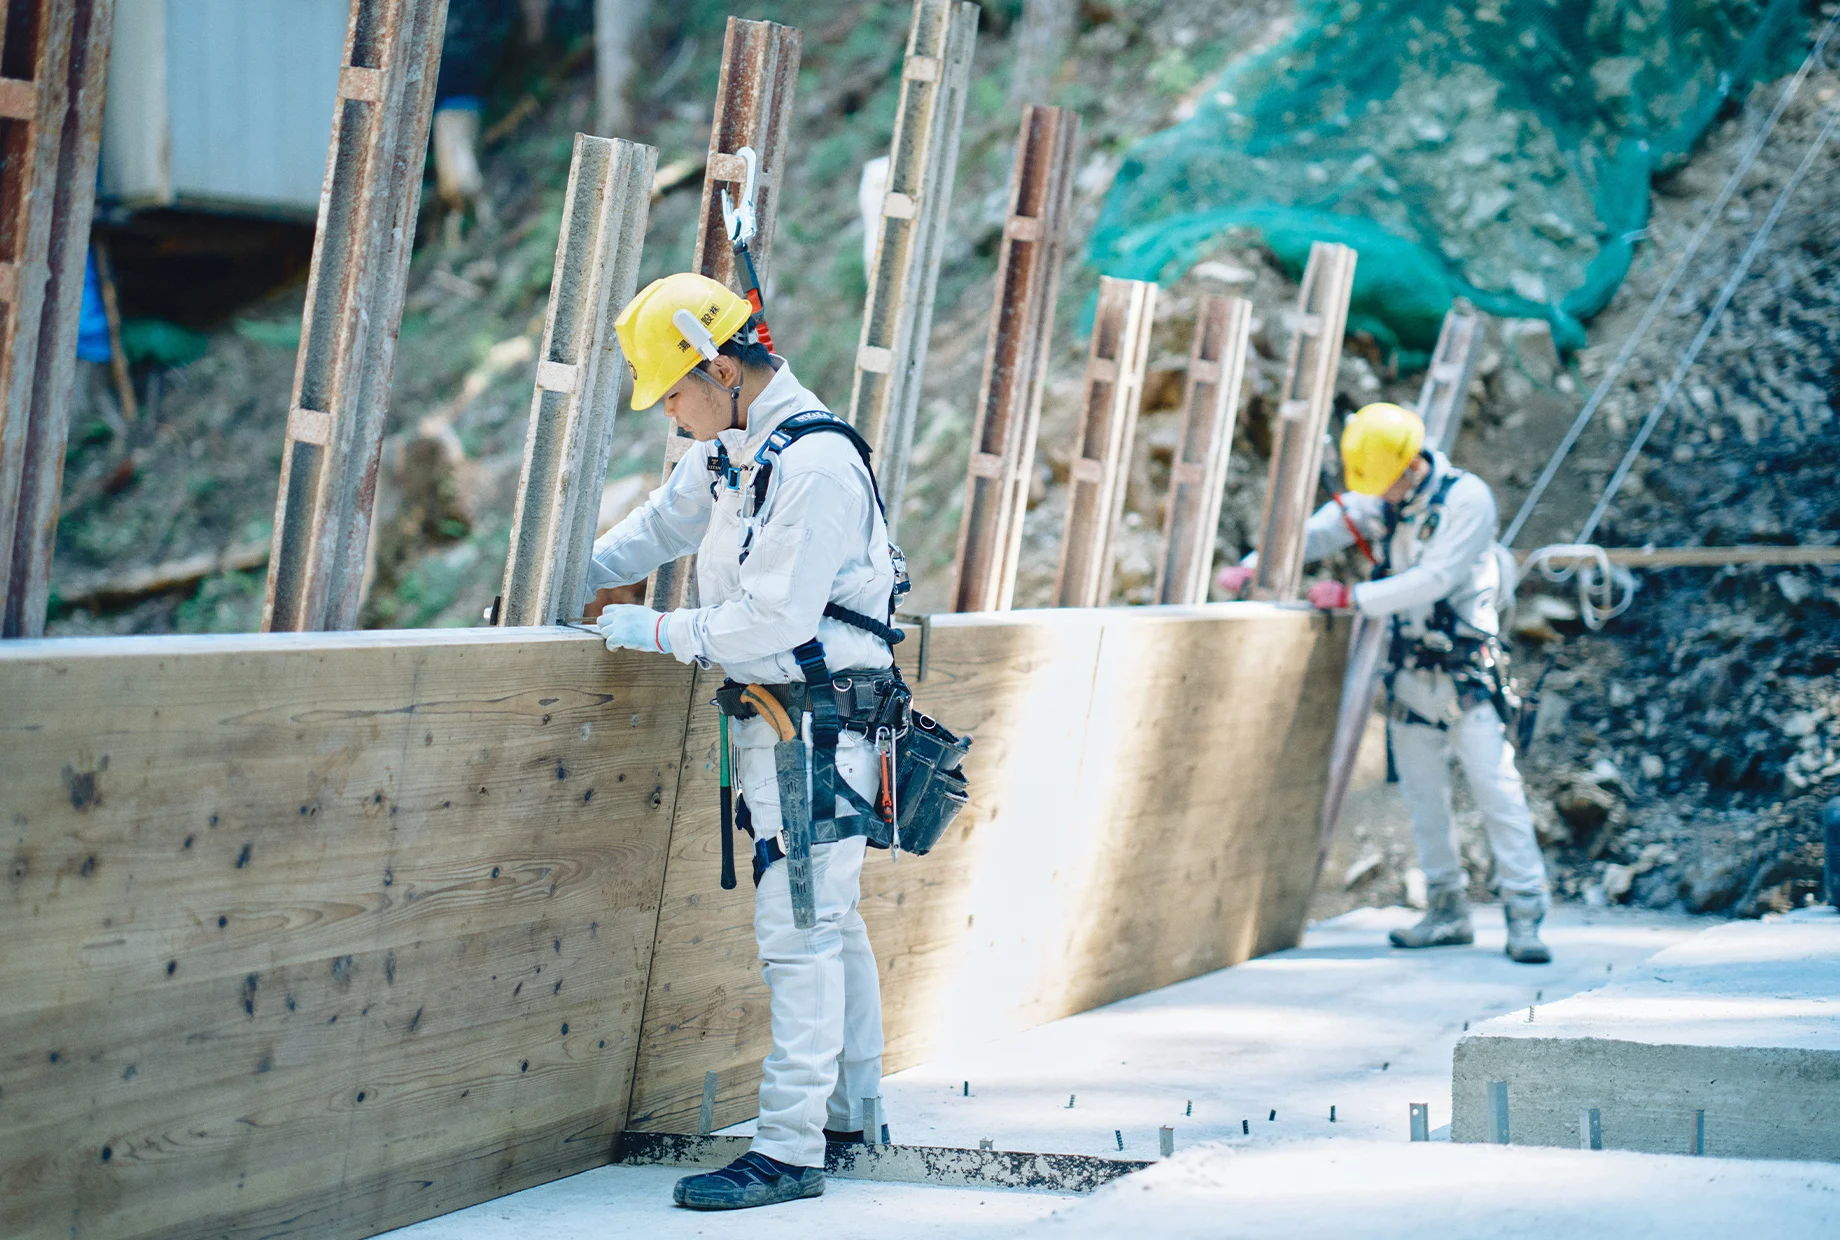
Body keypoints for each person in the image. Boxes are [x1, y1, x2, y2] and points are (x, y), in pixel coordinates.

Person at [587, 272, 899, 1208]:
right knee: (828, 925)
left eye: (675, 393)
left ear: (722, 367)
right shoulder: (736, 447)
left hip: (820, 726)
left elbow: (772, 619)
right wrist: (569, 580)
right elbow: (660, 527)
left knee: (799, 930)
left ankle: (791, 1150)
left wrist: (657, 631)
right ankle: (851, 1117)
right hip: (789, 723)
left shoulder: (812, 466)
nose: (672, 415)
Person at [1219, 402, 1552, 964]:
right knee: (1424, 798)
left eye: (1388, 483)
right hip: (1411, 673)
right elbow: (1323, 529)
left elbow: (1436, 578)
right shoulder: (1383, 497)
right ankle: (1446, 910)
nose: (1383, 494)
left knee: (1497, 792)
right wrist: (1256, 564)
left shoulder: (1466, 501)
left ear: (1413, 465)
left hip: (1467, 673)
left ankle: (1526, 913)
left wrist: (1353, 599)